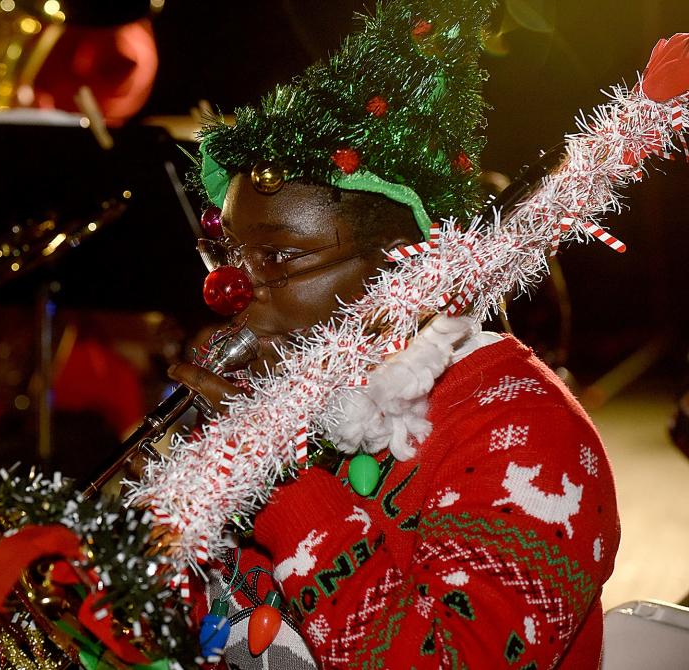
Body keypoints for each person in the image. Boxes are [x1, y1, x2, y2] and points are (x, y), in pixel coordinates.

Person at [139, 1, 622, 667]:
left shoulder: (528, 438)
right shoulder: (270, 390)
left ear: (406, 267)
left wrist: (276, 474)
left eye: (278, 258)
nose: (230, 292)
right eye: (225, 257)